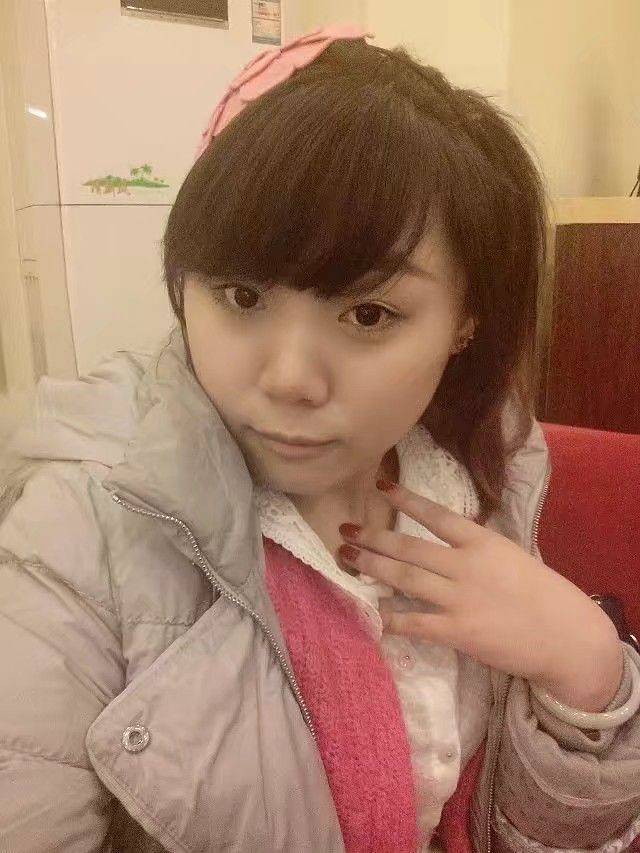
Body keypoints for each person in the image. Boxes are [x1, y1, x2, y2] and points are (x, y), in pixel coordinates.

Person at [1, 23, 639, 853]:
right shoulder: (83, 521)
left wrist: (589, 672)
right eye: (241, 296)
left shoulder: (484, 481)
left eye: (368, 313)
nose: (289, 378)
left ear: (466, 322)